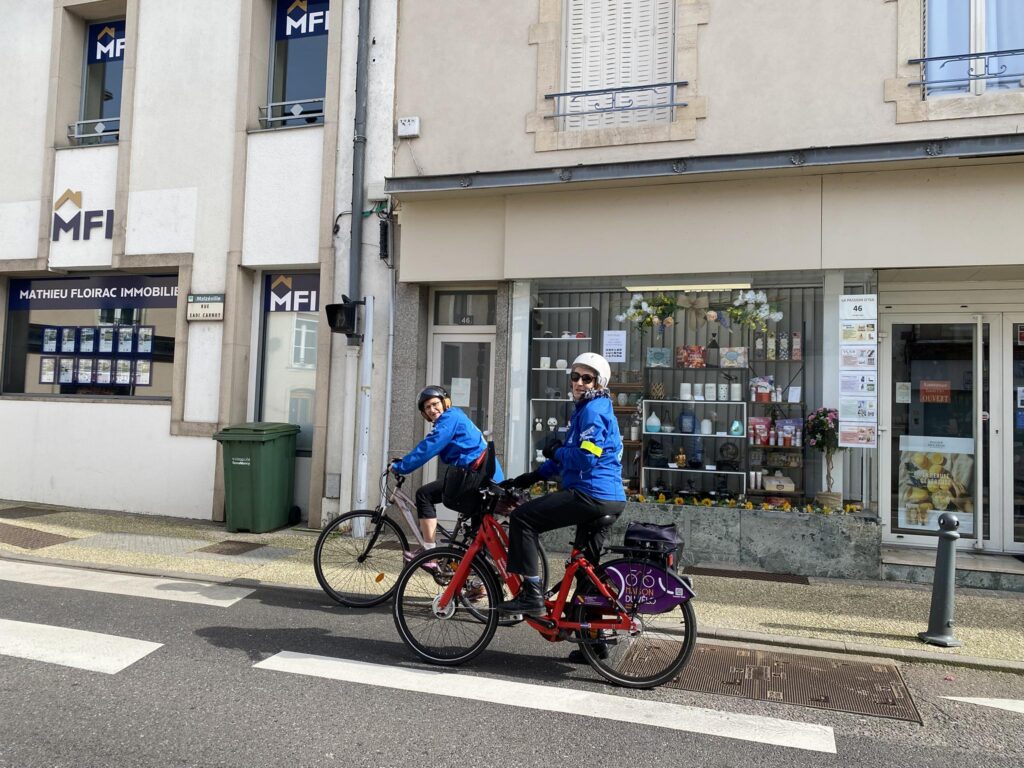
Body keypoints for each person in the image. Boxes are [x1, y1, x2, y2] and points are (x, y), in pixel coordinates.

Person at [498, 352, 625, 617]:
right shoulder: (587, 410)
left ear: (599, 384)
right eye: (575, 377)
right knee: (586, 567)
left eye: (587, 378)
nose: (579, 383)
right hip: (607, 496)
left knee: (523, 519)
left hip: (591, 493)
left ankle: (531, 595)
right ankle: (593, 641)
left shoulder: (592, 411)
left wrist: (555, 452)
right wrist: (530, 477)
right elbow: (565, 459)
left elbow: (584, 458)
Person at [390, 385, 504, 557]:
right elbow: (428, 444)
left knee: (424, 495)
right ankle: (479, 579)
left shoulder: (450, 418)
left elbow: (428, 447)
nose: (432, 409)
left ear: (445, 403)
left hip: (477, 477)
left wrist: (401, 467)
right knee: (477, 537)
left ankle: (429, 553)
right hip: (482, 476)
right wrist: (405, 460)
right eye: (427, 407)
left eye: (435, 404)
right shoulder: (452, 418)